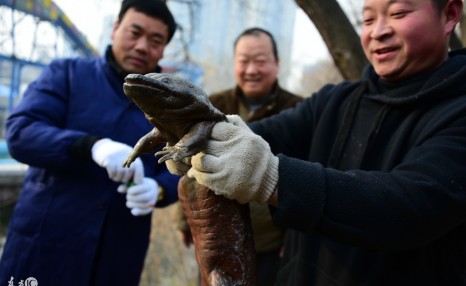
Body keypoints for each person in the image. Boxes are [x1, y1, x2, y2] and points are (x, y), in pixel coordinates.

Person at [168, 0, 466, 284]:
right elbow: (264, 133)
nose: (378, 31)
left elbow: (407, 208)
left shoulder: (457, 112)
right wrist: (201, 135)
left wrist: (274, 179)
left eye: (399, 13)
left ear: (450, 13)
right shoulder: (335, 101)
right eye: (368, 18)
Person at [0, 0, 180, 285]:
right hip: (44, 247)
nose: (143, 46)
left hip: (116, 258)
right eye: (135, 32)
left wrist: (158, 190)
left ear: (163, 48)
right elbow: (21, 133)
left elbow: (184, 169)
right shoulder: (67, 74)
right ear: (115, 29)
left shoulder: (168, 108)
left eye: (155, 40)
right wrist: (90, 146)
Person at [174, 27, 302, 286]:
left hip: (270, 242)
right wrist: (184, 220)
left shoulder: (299, 111)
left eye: (261, 61)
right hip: (217, 236)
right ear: (234, 64)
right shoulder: (212, 105)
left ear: (277, 64)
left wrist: (296, 239)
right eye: (244, 61)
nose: (252, 69)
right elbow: (190, 164)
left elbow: (306, 175)